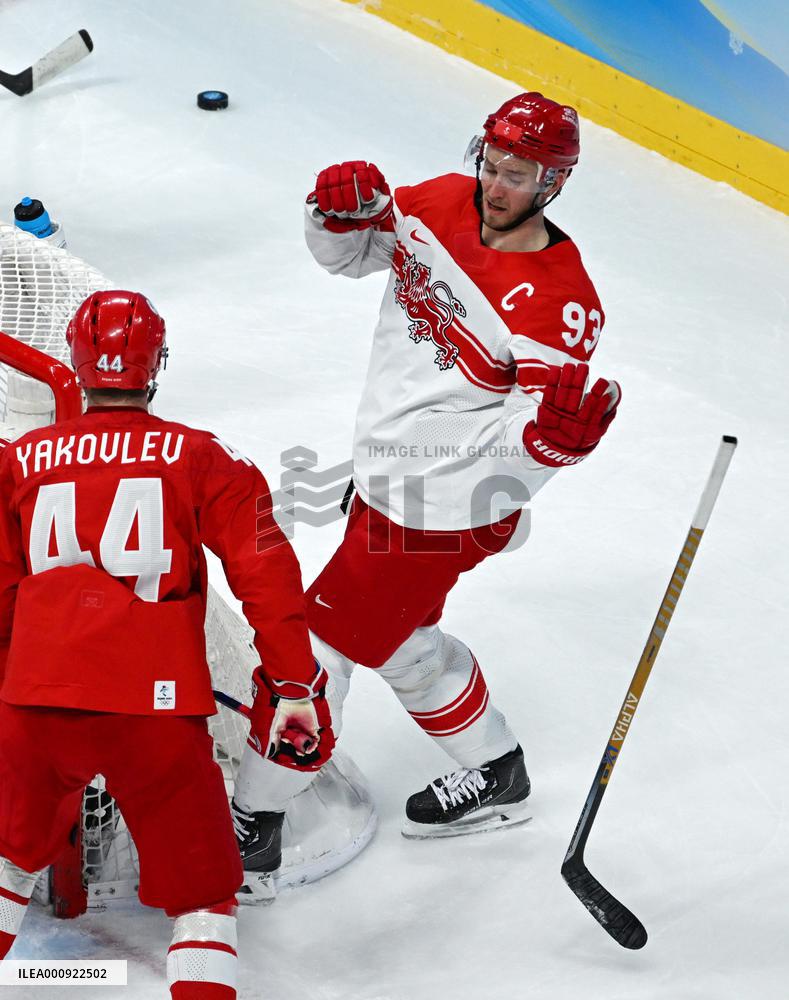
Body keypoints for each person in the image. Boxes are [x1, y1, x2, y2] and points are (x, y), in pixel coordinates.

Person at [237, 91, 621, 845]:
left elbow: (522, 438)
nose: (497, 187)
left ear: (553, 184)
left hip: (442, 510)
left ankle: (257, 818)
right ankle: (495, 772)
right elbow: (348, 257)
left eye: (520, 176)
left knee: (318, 655)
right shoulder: (441, 203)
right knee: (403, 641)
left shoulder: (560, 303)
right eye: (494, 165)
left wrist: (550, 444)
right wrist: (334, 214)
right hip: (387, 477)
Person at [0, 291, 334, 998]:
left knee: (6, 862)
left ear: (76, 362)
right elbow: (266, 579)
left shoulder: (20, 459)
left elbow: (2, 592)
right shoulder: (203, 456)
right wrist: (296, 687)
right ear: (156, 365)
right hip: (155, 714)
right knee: (205, 895)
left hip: (36, 704)